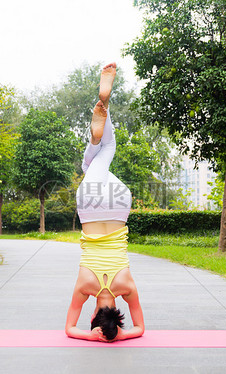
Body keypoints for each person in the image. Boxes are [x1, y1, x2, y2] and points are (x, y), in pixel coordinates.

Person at [65, 63, 144, 342]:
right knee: (98, 156)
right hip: (89, 204)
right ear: (93, 318)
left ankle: (96, 132)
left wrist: (120, 336)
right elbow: (69, 330)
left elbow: (140, 329)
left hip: (119, 202)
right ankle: (102, 107)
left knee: (99, 156)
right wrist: (93, 337)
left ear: (117, 316)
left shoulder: (127, 286)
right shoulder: (85, 286)